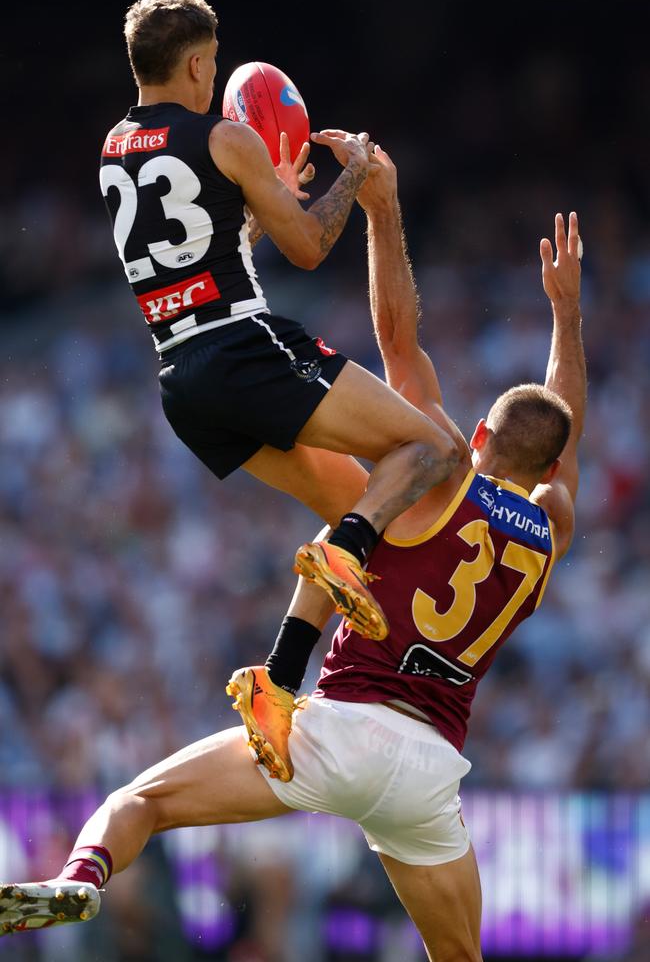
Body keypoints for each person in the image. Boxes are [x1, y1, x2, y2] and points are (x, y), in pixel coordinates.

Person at [0, 152, 585, 962]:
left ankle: (82, 877)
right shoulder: (550, 530)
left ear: (480, 436)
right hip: (428, 775)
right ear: (551, 471)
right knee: (462, 958)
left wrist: (383, 210)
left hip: (337, 729)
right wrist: (569, 319)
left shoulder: (435, 475)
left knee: (140, 803)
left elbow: (395, 337)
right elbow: (568, 435)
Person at [99, 0, 460, 648]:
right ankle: (339, 558)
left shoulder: (115, 149)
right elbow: (311, 248)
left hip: (182, 380)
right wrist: (350, 176)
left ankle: (281, 677)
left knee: (367, 512)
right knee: (432, 450)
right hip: (242, 347)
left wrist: (264, 207)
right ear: (200, 67)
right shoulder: (225, 137)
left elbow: (201, 252)